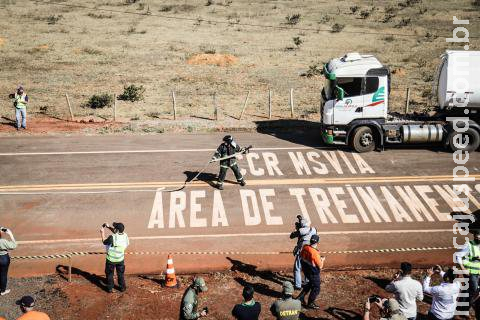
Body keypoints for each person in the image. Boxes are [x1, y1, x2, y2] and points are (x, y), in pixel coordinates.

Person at [297, 234, 325, 309]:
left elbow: (302, 257)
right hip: (313, 272)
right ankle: (310, 303)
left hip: (306, 270)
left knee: (310, 283)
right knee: (316, 287)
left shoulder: (305, 247)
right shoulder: (315, 253)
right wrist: (322, 259)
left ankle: (301, 297)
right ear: (317, 243)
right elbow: (320, 266)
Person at [290, 215, 317, 290]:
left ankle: (298, 285)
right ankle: (307, 282)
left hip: (302, 252)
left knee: (297, 268)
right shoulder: (314, 229)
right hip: (310, 251)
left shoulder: (301, 231)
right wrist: (300, 221)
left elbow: (291, 236)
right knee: (307, 267)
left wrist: (297, 229)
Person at [100, 222, 129, 293]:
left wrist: (102, 233)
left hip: (111, 260)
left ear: (117, 230)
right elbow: (117, 233)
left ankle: (110, 288)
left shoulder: (112, 237)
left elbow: (104, 242)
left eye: (115, 227)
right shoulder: (125, 235)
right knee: (120, 274)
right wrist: (109, 227)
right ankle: (122, 288)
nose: (114, 228)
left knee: (109, 274)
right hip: (120, 259)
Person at [0, 227, 17, 296]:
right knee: (3, 275)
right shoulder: (2, 241)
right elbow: (14, 245)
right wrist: (10, 234)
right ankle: (3, 290)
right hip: (3, 258)